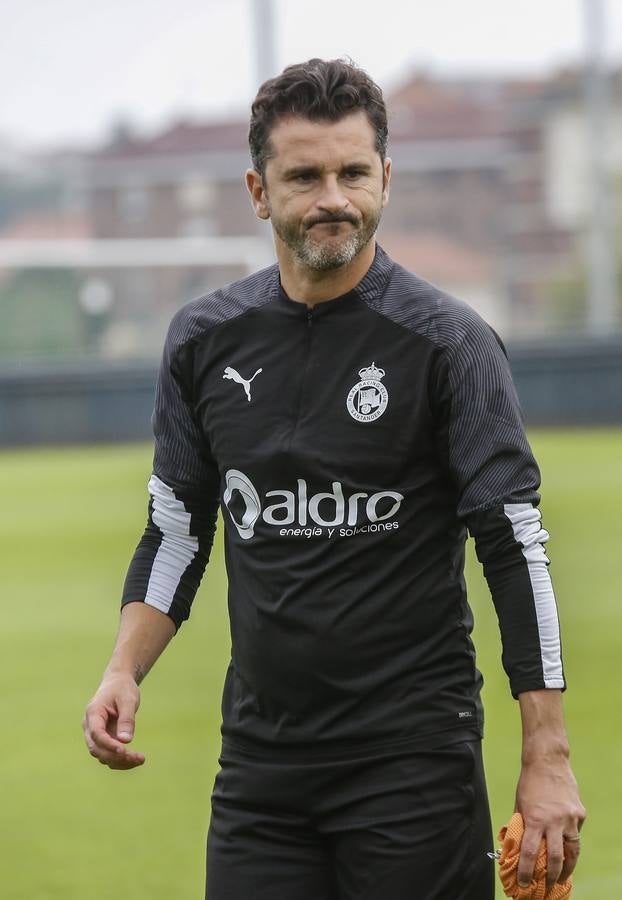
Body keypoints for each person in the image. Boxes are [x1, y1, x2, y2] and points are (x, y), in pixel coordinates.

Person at [83, 58, 585, 899]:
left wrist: (548, 758)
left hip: (413, 764)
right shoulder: (203, 339)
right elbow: (177, 526)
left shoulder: (450, 344)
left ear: (385, 178)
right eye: (305, 175)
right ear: (257, 189)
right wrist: (123, 669)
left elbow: (516, 548)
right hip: (261, 771)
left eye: (354, 173)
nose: (333, 198)